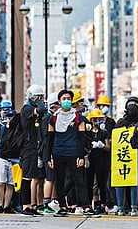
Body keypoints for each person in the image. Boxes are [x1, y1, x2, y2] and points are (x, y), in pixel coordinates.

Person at [47, 89, 98, 217]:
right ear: (59, 101)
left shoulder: (77, 117)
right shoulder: (53, 118)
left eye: (68, 99)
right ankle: (62, 207)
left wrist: (81, 156)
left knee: (79, 180)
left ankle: (86, 207)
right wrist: (49, 157)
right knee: (59, 181)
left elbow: (81, 138)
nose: (66, 101)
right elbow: (49, 138)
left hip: (73, 153)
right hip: (58, 152)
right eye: (63, 99)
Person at [19, 84, 47, 217]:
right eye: (39, 97)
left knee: (32, 177)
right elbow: (41, 109)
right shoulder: (27, 109)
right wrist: (39, 102)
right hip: (27, 147)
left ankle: (31, 205)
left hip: (33, 147)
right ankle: (25, 206)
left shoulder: (32, 109)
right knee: (26, 177)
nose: (42, 100)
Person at [0, 108, 18, 213]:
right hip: (2, 158)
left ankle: (7, 206)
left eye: (12, 117)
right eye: (8, 117)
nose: (10, 119)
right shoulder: (1, 130)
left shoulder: (18, 130)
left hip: (14, 160)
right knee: (0, 182)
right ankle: (0, 204)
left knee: (11, 184)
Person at [86, 108, 111, 215]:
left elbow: (108, 147)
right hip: (90, 160)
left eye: (100, 119)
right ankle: (91, 204)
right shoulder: (88, 134)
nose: (98, 122)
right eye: (95, 119)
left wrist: (102, 146)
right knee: (90, 182)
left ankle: (102, 205)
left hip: (102, 161)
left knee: (101, 182)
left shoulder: (104, 133)